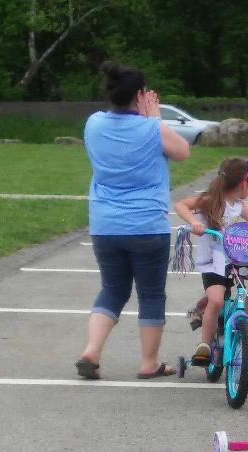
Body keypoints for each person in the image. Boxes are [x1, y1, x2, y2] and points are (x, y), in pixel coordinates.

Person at [75, 61, 190, 380]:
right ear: (140, 95)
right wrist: (154, 117)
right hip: (147, 225)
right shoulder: (152, 128)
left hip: (104, 224)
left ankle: (91, 351)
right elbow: (182, 151)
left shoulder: (93, 124)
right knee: (151, 294)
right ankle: (149, 362)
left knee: (112, 290)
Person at [173, 157, 248, 364]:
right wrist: (193, 222)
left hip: (235, 256)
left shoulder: (239, 205)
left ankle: (244, 316)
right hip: (213, 262)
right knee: (216, 300)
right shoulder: (209, 199)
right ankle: (204, 345)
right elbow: (180, 205)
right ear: (244, 184)